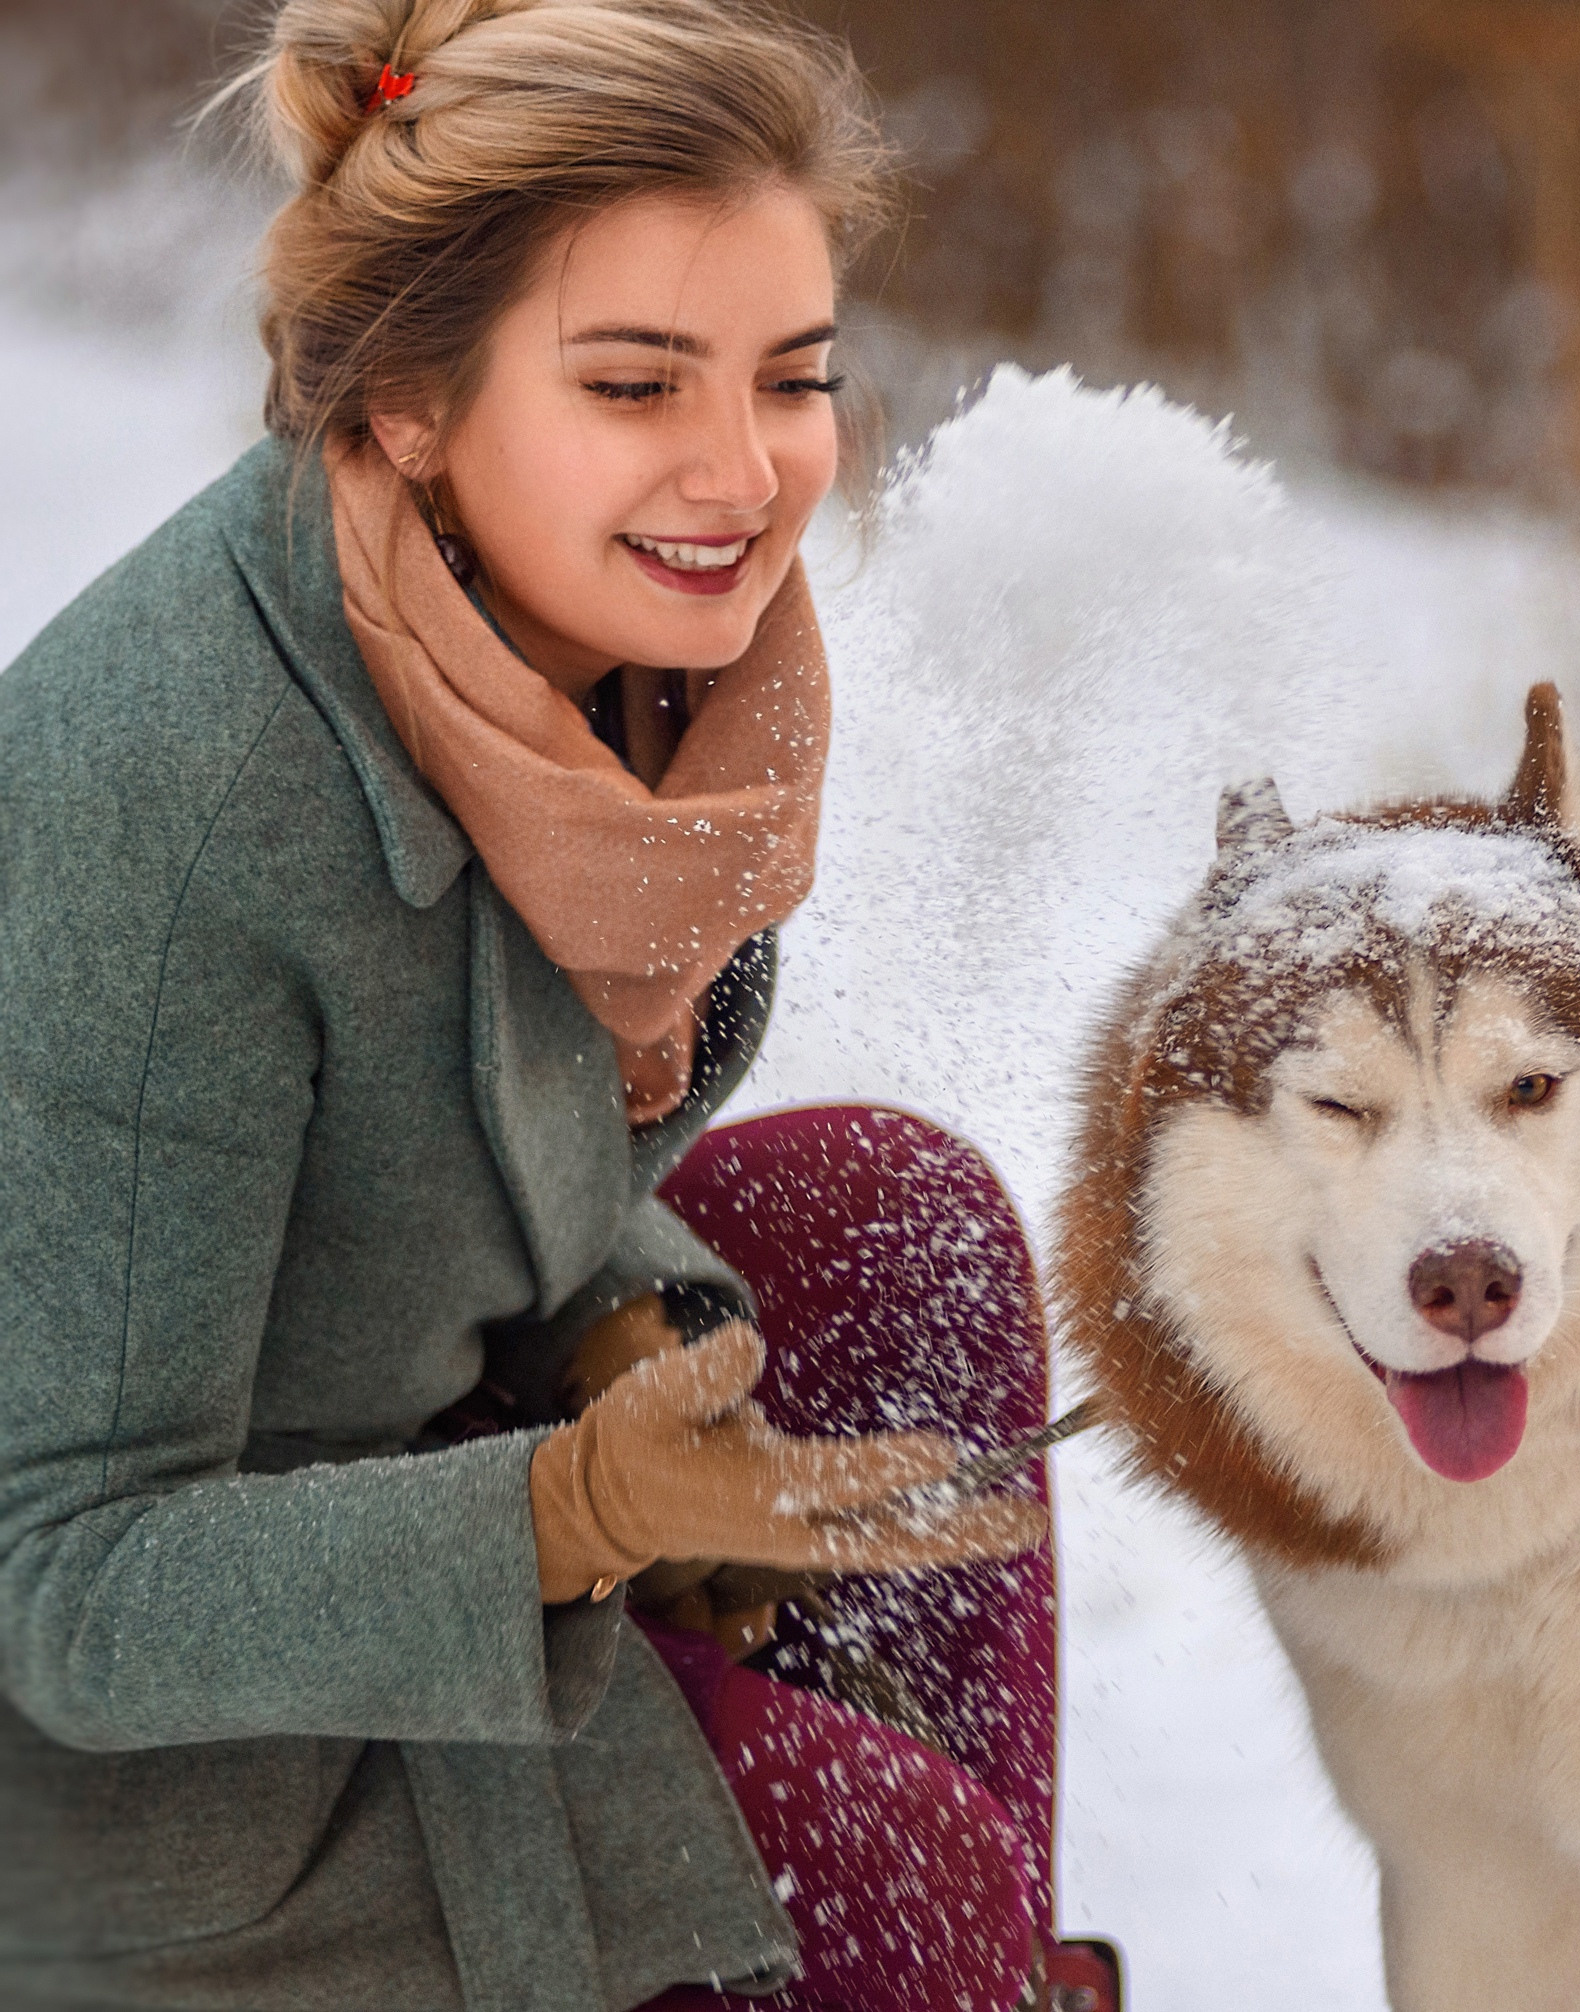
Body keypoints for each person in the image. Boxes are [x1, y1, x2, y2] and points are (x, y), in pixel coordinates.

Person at [0, 4, 1086, 2008]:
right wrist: (568, 1510)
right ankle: (902, 1933)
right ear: (412, 401)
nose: (744, 472)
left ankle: (935, 1966)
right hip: (166, 1766)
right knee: (889, 1855)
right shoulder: (170, 814)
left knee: (892, 1221)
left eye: (795, 377)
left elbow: (482, 1129)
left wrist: (624, 1318)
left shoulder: (627, 674)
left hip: (416, 1409)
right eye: (633, 382)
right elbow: (67, 1584)